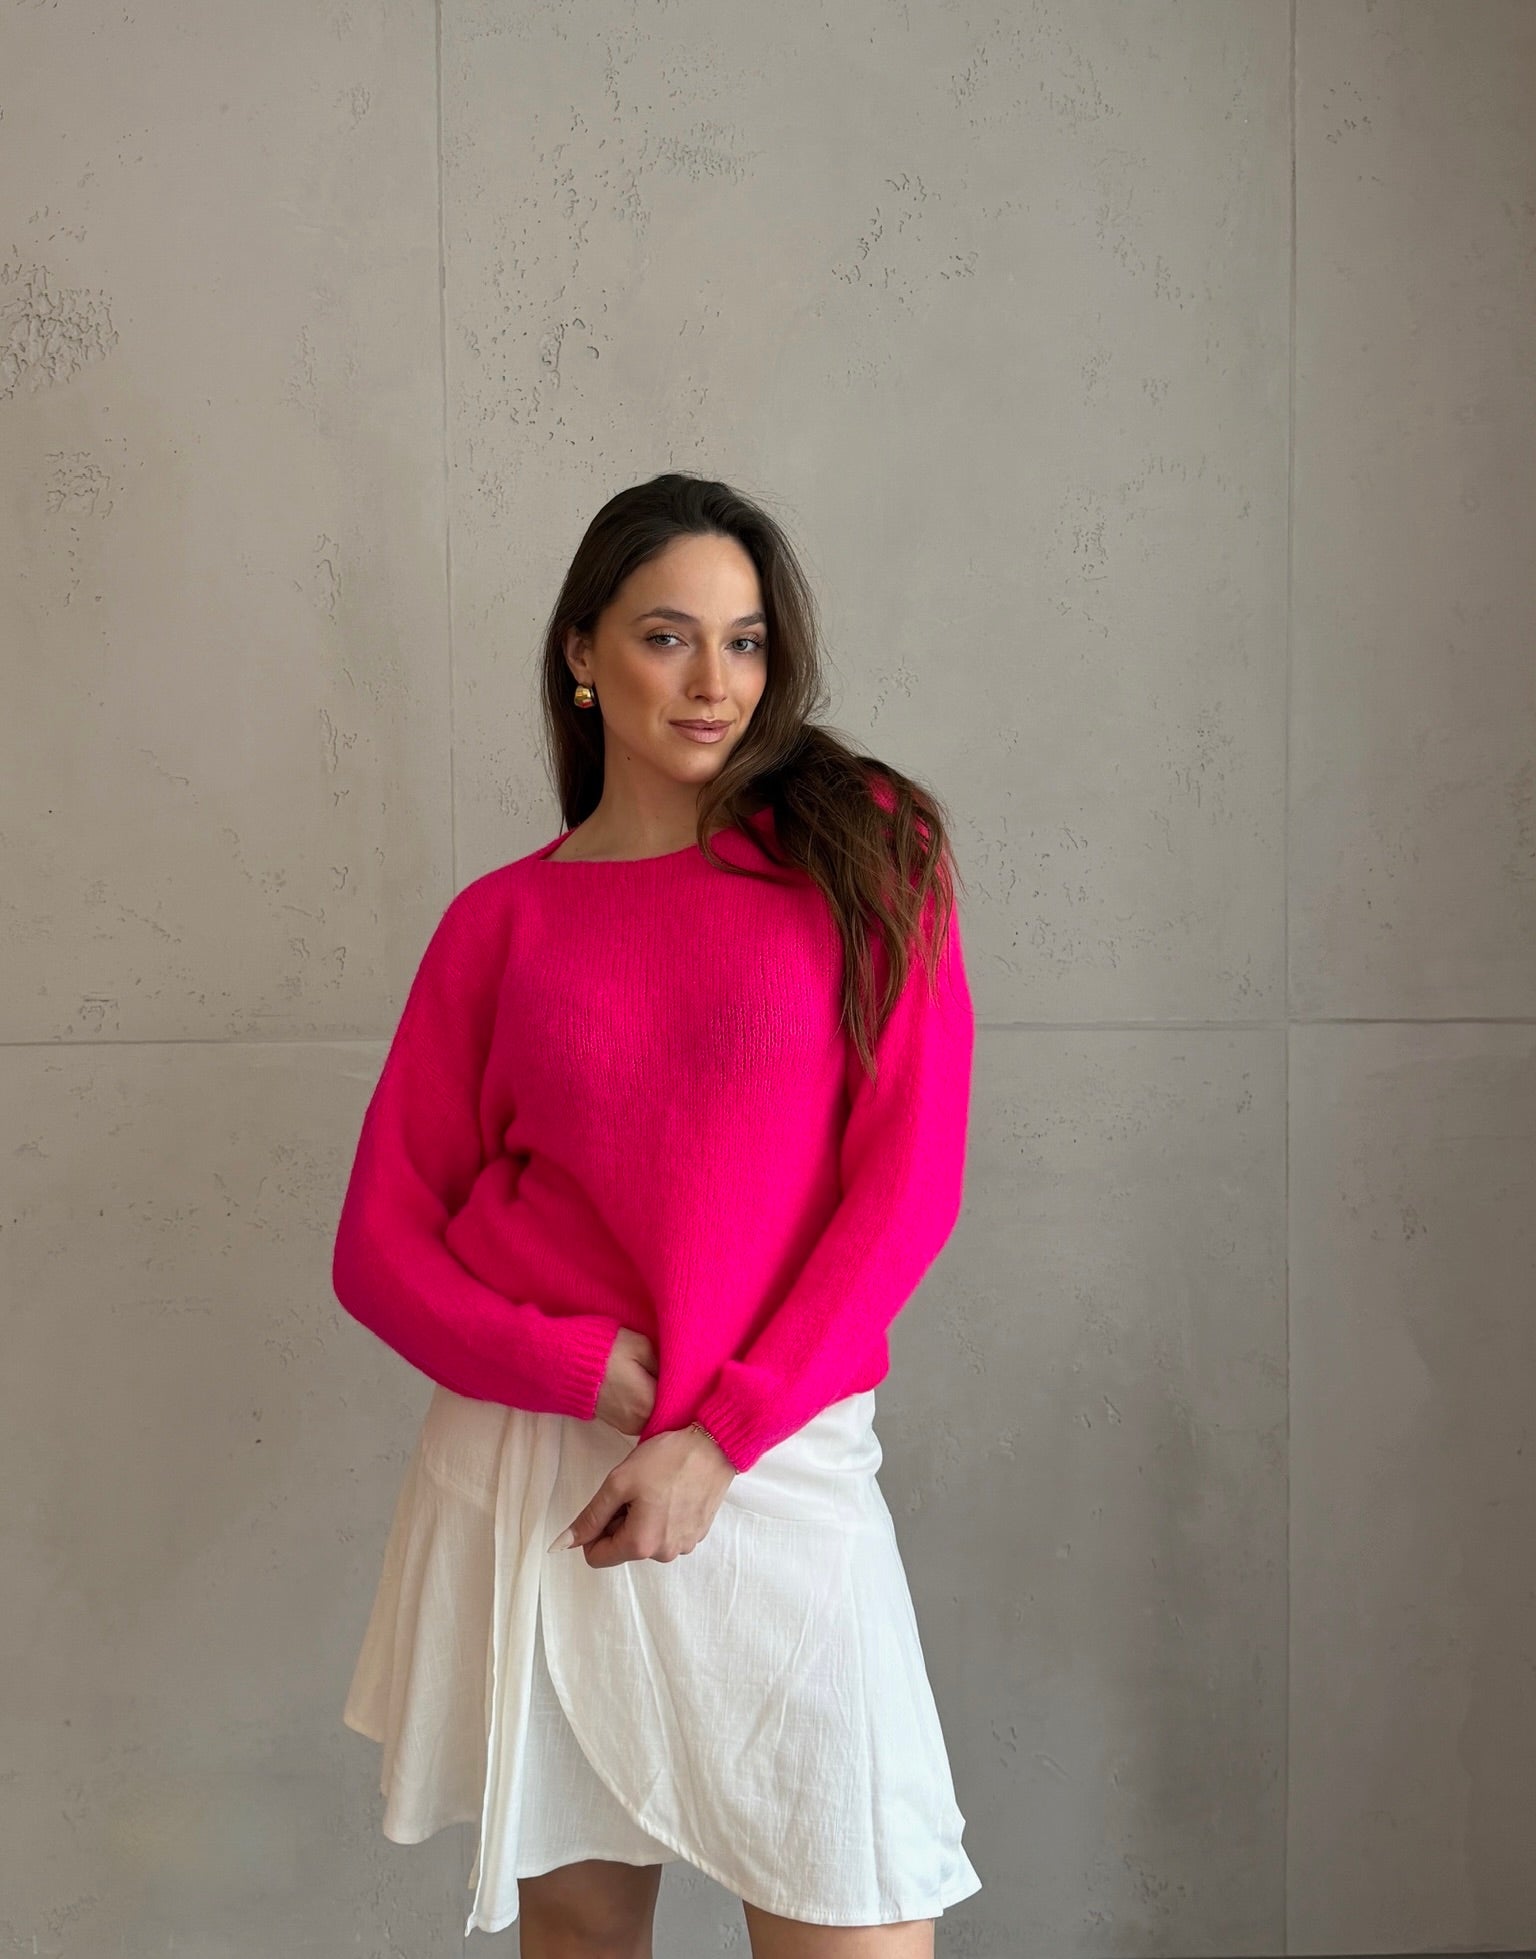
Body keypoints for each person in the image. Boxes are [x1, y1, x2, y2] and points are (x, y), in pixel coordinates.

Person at [333, 471, 983, 1956]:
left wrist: (720, 1433)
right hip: (549, 1474)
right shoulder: (503, 922)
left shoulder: (867, 851)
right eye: (667, 636)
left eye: (745, 642)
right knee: (580, 1932)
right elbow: (378, 1249)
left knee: (860, 1906)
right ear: (582, 652)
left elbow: (908, 1188)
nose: (714, 683)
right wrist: (582, 1371)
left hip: (771, 1456)